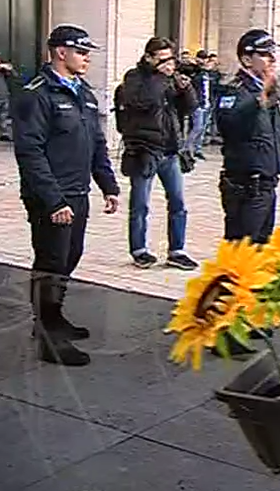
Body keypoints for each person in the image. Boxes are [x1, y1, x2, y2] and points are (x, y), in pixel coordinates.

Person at [13, 24, 121, 366]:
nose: (87, 57)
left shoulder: (83, 93)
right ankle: (47, 338)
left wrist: (108, 184)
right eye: (81, 51)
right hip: (52, 197)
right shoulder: (37, 94)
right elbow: (29, 152)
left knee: (70, 257)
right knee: (51, 263)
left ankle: (53, 317)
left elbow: (97, 143)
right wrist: (53, 200)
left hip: (78, 193)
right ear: (61, 52)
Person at [215, 29, 280, 244]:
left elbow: (275, 137)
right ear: (246, 59)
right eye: (264, 54)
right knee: (241, 251)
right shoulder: (235, 90)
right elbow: (228, 123)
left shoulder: (267, 92)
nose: (271, 59)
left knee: (261, 249)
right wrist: (259, 100)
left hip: (266, 183)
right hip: (245, 184)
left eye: (272, 53)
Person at [115, 37, 199, 271]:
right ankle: (139, 249)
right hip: (144, 149)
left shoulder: (169, 80)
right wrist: (162, 77)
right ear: (149, 57)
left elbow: (190, 108)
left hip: (169, 149)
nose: (168, 64)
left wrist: (185, 88)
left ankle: (177, 250)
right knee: (140, 204)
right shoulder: (134, 77)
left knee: (178, 201)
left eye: (171, 59)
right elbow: (142, 101)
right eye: (162, 59)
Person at [184, 49, 218, 160]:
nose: (204, 61)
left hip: (207, 102)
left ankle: (197, 148)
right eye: (202, 58)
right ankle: (186, 148)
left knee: (202, 128)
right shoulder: (195, 71)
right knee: (197, 127)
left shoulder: (207, 73)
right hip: (197, 103)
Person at [0, 55, 13, 141]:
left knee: (3, 114)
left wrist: (5, 68)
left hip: (3, 93)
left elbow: (10, 68)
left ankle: (4, 133)